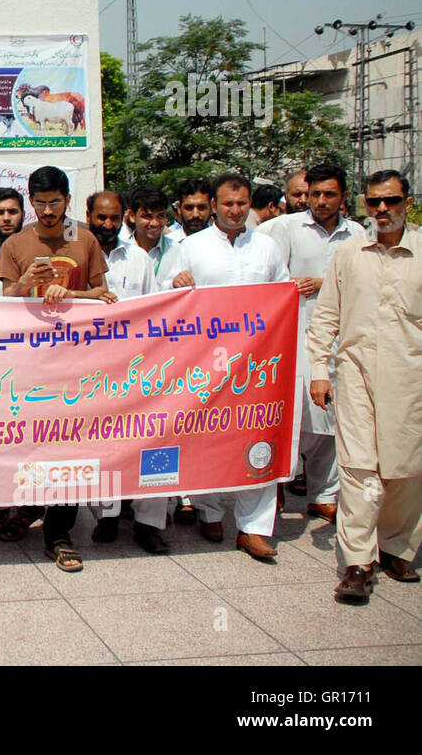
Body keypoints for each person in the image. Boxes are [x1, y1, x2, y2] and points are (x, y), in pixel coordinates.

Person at [161, 173, 289, 561]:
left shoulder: (267, 247)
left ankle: (253, 528)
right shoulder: (190, 247)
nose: (235, 211)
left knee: (258, 437)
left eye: (242, 203)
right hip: (205, 363)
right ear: (214, 206)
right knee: (205, 434)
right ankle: (209, 510)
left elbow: (282, 294)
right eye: (228, 204)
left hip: (258, 363)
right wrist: (175, 281)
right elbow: (166, 293)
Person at [308, 170, 421, 603]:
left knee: (406, 468)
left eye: (390, 201)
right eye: (373, 202)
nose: (382, 210)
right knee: (358, 467)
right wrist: (319, 369)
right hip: (354, 375)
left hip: (411, 378)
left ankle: (397, 547)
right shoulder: (349, 253)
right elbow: (327, 317)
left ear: (407, 202)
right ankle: (357, 561)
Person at [0, 167, 110, 571]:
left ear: (67, 200)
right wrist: (26, 280)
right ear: (31, 201)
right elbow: (4, 300)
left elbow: (104, 294)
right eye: (40, 203)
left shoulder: (85, 239)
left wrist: (72, 293)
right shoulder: (16, 243)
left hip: (77, 362)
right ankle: (25, 510)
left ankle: (59, 534)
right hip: (28, 363)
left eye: (55, 202)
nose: (48, 211)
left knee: (70, 444)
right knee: (28, 440)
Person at [259, 163, 364, 526]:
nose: (320, 201)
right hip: (296, 336)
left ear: (344, 197)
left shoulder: (359, 234)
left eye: (328, 194)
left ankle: (324, 495)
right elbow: (271, 278)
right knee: (296, 416)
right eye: (314, 193)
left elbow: (364, 281)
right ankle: (277, 485)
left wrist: (324, 284)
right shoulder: (286, 228)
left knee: (336, 421)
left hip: (343, 338)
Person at [83, 190, 170, 551]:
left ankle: (150, 522)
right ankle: (108, 516)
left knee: (150, 439)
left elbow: (155, 311)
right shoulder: (74, 256)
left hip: (137, 366)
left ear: (125, 218)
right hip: (91, 369)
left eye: (114, 218)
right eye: (100, 218)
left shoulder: (137, 258)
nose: (107, 225)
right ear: (87, 215)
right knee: (103, 443)